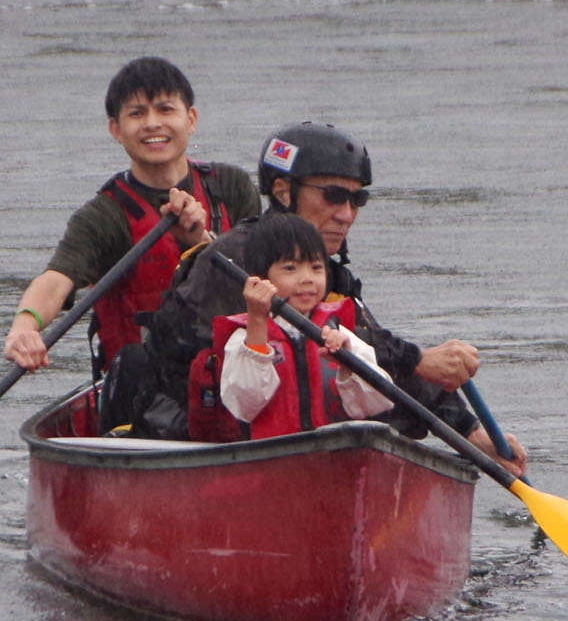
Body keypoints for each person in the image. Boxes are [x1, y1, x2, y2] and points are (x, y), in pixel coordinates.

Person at [145, 121, 526, 468]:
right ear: (282, 192)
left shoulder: (322, 272)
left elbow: (371, 347)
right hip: (195, 440)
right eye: (333, 196)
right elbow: (384, 352)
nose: (346, 214)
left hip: (297, 447)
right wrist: (417, 357)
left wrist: (473, 434)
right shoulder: (238, 260)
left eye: (356, 200)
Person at [0, 57, 260, 425]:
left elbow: (270, 273)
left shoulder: (230, 188)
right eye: (137, 113)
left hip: (243, 378)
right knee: (137, 362)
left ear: (191, 119)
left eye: (165, 109)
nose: (153, 123)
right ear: (116, 129)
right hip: (146, 397)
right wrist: (24, 328)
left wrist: (201, 242)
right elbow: (57, 279)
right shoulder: (105, 215)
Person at [205, 215, 397, 437]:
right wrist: (257, 321)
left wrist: (347, 363)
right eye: (290, 268)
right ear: (260, 278)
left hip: (333, 457)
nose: (307, 278)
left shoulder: (338, 332)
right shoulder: (244, 338)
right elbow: (244, 406)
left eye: (316, 267)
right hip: (273, 460)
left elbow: (378, 402)